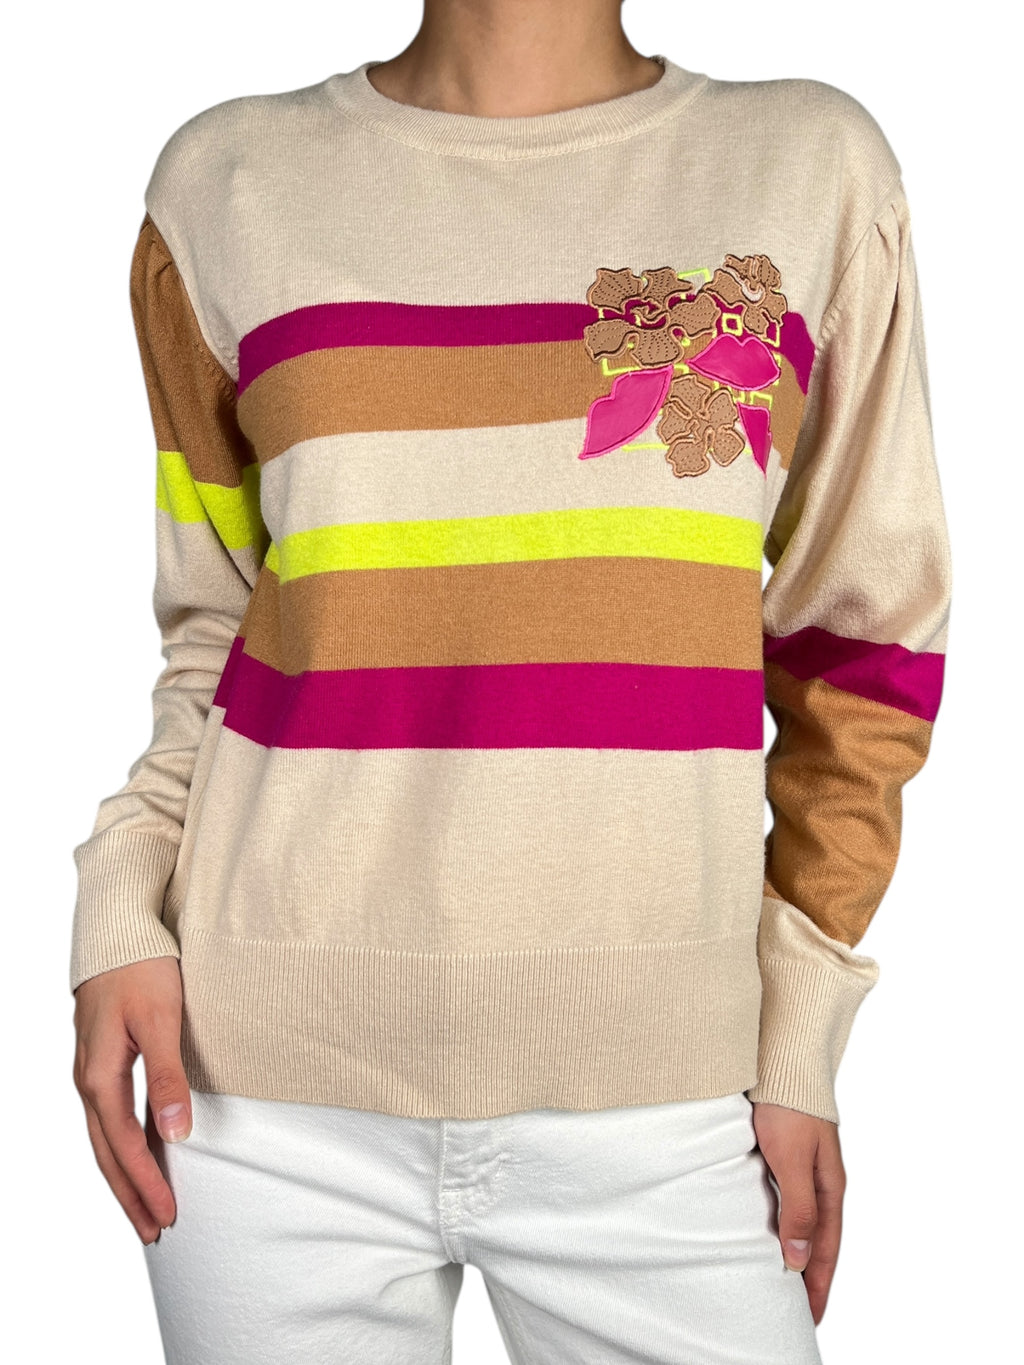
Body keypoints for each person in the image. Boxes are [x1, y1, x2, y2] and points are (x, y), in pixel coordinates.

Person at [69, 2, 952, 1361]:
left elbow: (865, 650)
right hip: (260, 1093)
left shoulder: (808, 166)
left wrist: (799, 1032)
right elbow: (216, 626)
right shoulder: (227, 181)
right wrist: (120, 911)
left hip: (669, 1092)